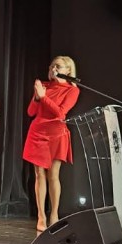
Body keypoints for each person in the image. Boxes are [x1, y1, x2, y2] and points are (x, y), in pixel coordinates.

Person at [23, 56, 80, 232]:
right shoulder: (44, 86)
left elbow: (60, 113)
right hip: (38, 132)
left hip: (56, 134)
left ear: (68, 70)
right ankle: (41, 216)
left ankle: (54, 214)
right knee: (39, 174)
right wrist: (37, 97)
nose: (53, 69)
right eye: (52, 66)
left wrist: (43, 97)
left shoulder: (72, 90)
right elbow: (31, 112)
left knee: (53, 175)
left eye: (58, 66)